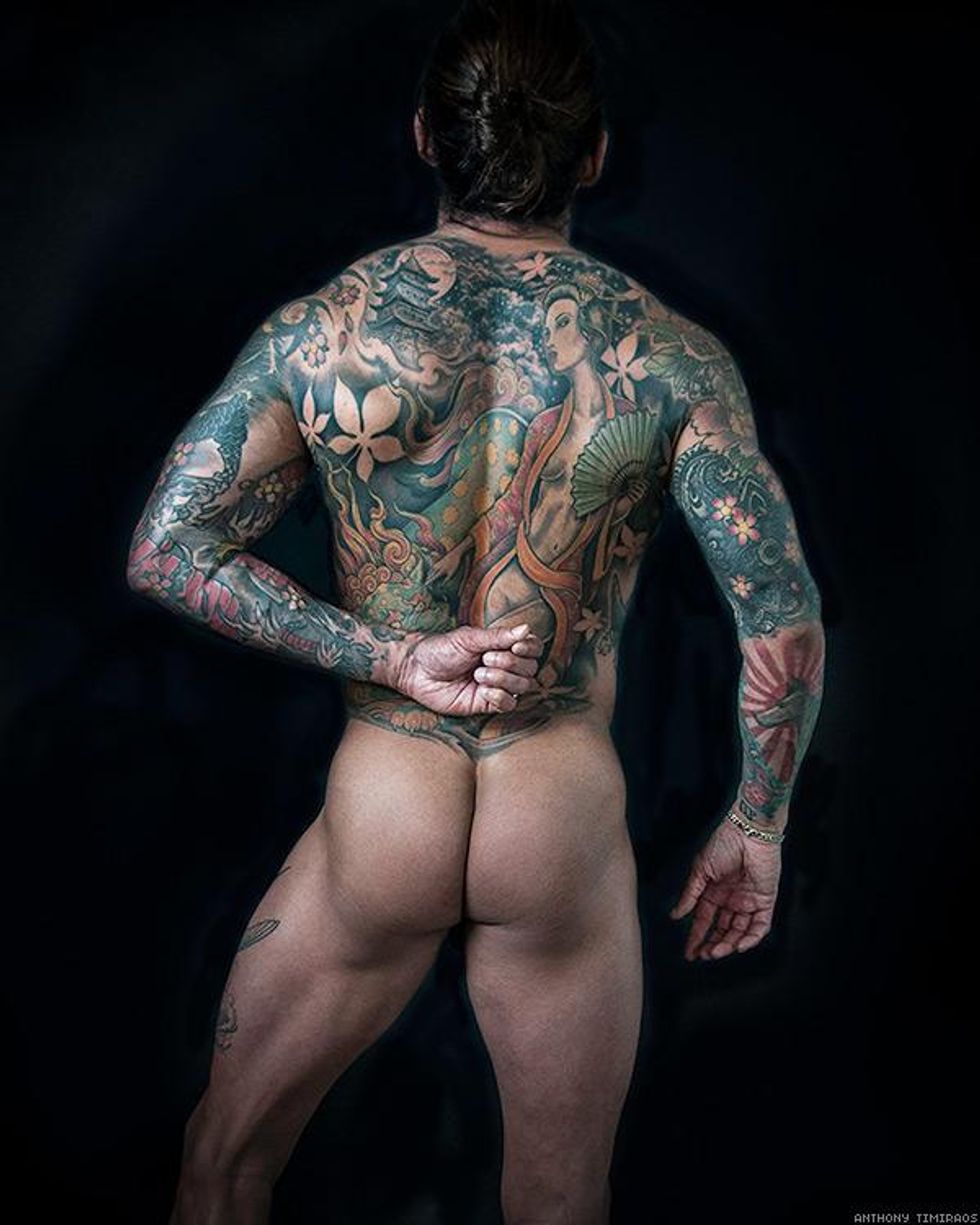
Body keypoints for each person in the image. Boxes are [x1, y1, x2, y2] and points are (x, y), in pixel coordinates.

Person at [126, 0, 826, 1221]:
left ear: (424, 137)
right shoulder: (669, 358)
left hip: (387, 799)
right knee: (559, 1202)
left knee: (224, 1165)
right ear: (592, 154)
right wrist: (756, 822)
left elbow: (167, 549)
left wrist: (390, 653)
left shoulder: (324, 333)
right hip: (554, 812)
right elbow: (780, 613)